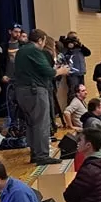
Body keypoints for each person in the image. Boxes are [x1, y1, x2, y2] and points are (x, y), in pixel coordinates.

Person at [14, 29, 70, 165]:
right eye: (44, 41)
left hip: (21, 91)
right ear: (40, 40)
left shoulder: (21, 50)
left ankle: (35, 152)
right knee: (41, 123)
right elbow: (48, 72)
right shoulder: (35, 51)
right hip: (35, 91)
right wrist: (61, 71)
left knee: (31, 123)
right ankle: (42, 155)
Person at [61, 32, 91, 100]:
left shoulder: (79, 47)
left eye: (76, 37)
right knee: (73, 91)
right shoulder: (66, 47)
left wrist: (80, 45)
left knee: (82, 91)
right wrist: (68, 47)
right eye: (73, 38)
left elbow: (88, 53)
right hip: (72, 73)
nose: (75, 39)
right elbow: (62, 56)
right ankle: (72, 108)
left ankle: (81, 107)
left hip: (81, 72)